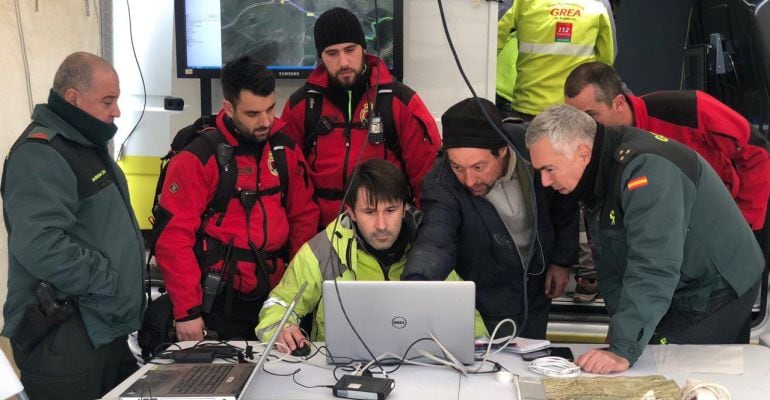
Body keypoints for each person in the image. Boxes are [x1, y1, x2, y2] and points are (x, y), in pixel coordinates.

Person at [526, 104, 764, 374]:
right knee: (637, 362)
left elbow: (653, 264)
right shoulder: (600, 171)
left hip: (717, 286)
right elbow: (615, 266)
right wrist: (619, 334)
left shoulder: (647, 169)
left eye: (549, 169)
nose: (544, 182)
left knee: (668, 374)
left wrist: (622, 349)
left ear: (582, 153)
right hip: (677, 282)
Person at [1, 52, 144, 399]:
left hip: (102, 328)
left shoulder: (84, 145)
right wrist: (107, 278)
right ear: (73, 99)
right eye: (108, 101)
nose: (117, 111)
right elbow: (38, 244)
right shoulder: (42, 154)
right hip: (65, 337)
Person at [154, 56, 319, 341]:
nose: (266, 121)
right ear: (228, 108)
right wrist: (188, 312)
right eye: (253, 114)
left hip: (276, 298)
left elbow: (303, 217)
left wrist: (295, 295)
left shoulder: (284, 148)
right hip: (217, 303)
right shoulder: (198, 158)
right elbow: (173, 239)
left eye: (270, 109)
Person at [255, 159, 488, 352]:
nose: (381, 225)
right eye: (369, 212)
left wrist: (478, 347)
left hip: (420, 370)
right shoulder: (323, 250)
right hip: (337, 374)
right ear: (351, 212)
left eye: (390, 210)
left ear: (404, 207)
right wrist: (281, 328)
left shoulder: (429, 247)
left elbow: (465, 314)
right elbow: (279, 302)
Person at [401, 98, 577, 338]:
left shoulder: (535, 150)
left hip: (537, 289)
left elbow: (564, 203)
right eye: (457, 167)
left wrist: (562, 259)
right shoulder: (441, 183)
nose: (469, 180)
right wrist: (416, 283)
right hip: (485, 297)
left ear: (502, 151)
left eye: (478, 167)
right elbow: (436, 237)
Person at [280, 7, 441, 227]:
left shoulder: (400, 102)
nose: (344, 62)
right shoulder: (302, 106)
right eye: (332, 53)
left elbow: (428, 180)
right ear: (321, 56)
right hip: (320, 235)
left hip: (384, 232)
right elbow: (288, 183)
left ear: (363, 48)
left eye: (350, 49)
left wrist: (423, 240)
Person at [564, 61, 770, 230]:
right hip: (664, 237)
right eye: (573, 117)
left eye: (590, 116)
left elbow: (757, 150)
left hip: (719, 224)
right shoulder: (591, 147)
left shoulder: (687, 110)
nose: (582, 128)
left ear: (618, 103)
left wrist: (744, 222)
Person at [495, 0, 620, 116]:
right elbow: (606, 62)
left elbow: (490, 40)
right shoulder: (600, 4)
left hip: (528, 106)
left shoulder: (521, 1)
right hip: (575, 110)